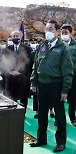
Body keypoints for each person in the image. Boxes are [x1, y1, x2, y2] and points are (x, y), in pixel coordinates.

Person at [30, 20, 73, 152]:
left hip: (56, 85)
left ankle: (61, 142)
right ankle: (41, 139)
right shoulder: (42, 45)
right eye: (47, 29)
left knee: (60, 116)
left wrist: (65, 89)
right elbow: (36, 65)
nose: (47, 32)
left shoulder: (63, 47)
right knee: (42, 114)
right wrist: (33, 82)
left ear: (57, 31)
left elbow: (67, 70)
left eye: (51, 29)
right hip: (42, 84)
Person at [0, 30, 33, 112]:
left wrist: (20, 72)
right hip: (10, 78)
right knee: (10, 98)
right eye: (14, 36)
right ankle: (12, 114)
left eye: (17, 36)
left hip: (23, 79)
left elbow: (29, 64)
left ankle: (22, 114)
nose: (15, 38)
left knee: (23, 99)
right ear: (11, 38)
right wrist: (9, 71)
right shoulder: (6, 50)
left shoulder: (28, 49)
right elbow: (3, 63)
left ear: (21, 37)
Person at [61, 24, 76, 127]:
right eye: (62, 33)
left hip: (73, 77)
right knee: (59, 99)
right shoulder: (58, 45)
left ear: (71, 34)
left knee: (72, 99)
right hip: (61, 77)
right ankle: (59, 118)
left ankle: (72, 118)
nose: (63, 35)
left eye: (66, 33)